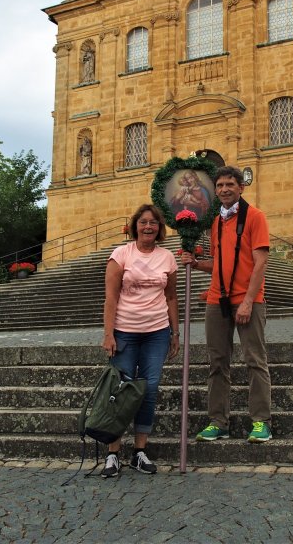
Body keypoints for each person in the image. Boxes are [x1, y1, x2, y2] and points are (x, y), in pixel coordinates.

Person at [180, 166, 272, 443]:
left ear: (241, 187)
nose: (224, 189)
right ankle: (218, 421)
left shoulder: (255, 216)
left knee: (255, 360)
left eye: (229, 184)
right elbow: (222, 262)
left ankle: (260, 421)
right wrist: (196, 264)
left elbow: (260, 263)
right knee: (217, 363)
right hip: (217, 300)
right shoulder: (216, 222)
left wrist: (246, 302)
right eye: (219, 185)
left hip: (248, 300)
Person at [101, 203, 180, 478]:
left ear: (160, 228)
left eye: (154, 223)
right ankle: (112, 452)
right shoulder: (120, 254)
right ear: (135, 225)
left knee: (149, 389)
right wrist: (108, 333)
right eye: (144, 222)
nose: (148, 227)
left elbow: (171, 297)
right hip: (125, 331)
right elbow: (111, 297)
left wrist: (175, 332)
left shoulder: (168, 258)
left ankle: (139, 452)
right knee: (120, 390)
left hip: (157, 333)